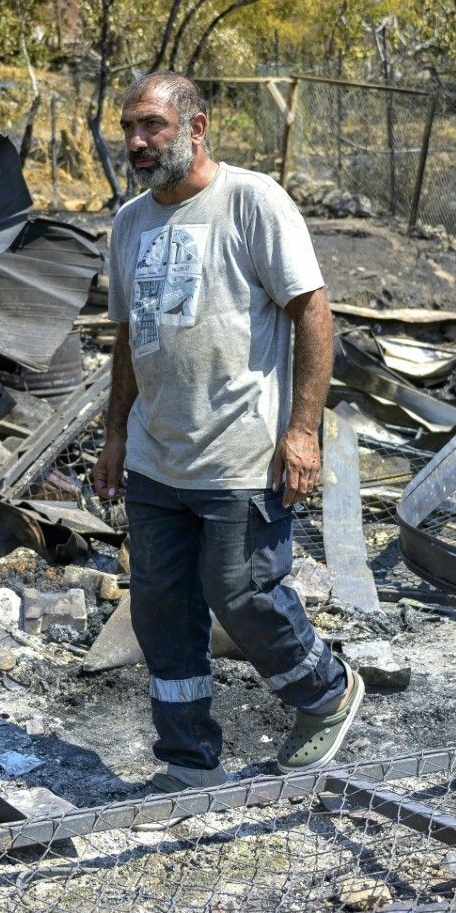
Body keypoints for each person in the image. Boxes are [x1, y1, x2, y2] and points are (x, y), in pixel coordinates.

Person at [90, 71, 363, 793]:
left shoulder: (251, 202)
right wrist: (115, 436)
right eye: (129, 128)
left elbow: (312, 312)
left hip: (242, 451)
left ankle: (325, 695)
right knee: (160, 608)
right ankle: (188, 758)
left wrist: (303, 432)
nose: (138, 142)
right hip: (156, 456)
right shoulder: (129, 224)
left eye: (152, 126)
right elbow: (128, 337)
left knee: (242, 593)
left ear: (196, 128)